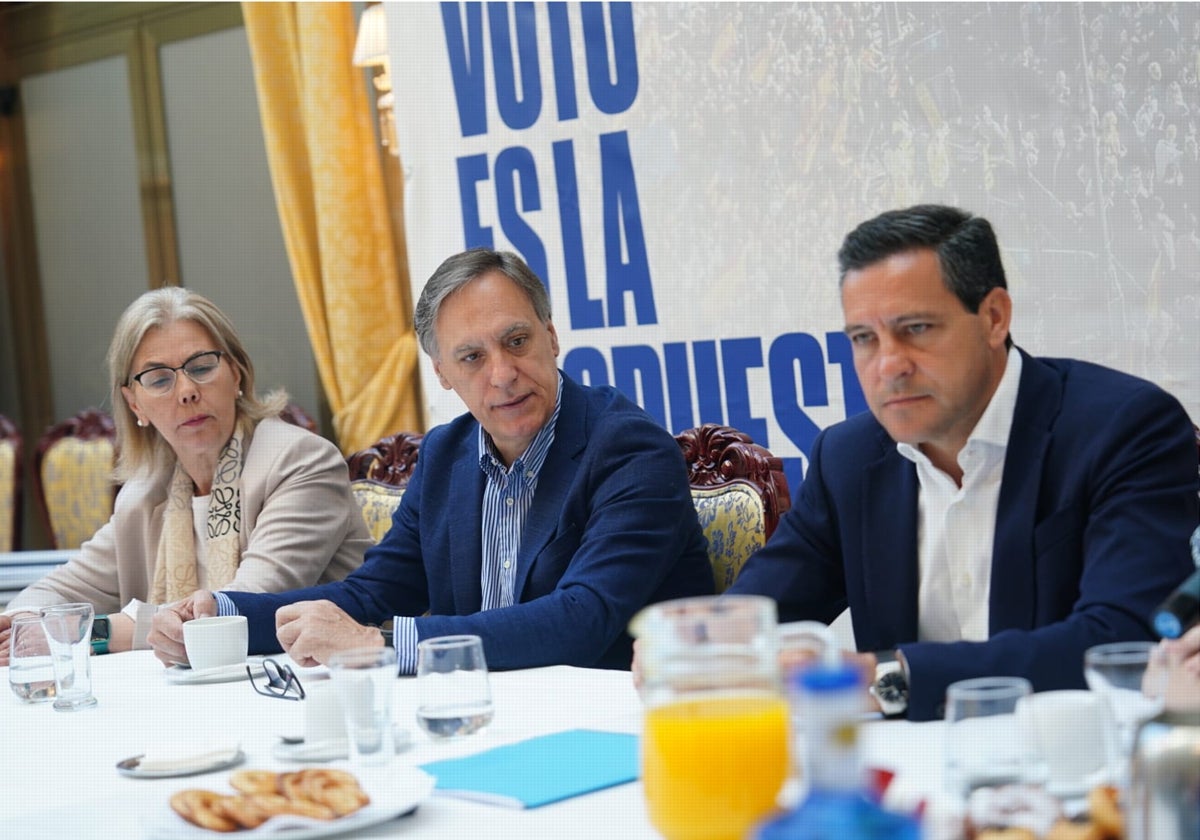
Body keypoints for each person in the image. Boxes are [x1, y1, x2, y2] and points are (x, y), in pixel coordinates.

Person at [729, 204, 1199, 720]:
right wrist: (693, 643)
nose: (889, 365)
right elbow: (757, 615)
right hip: (908, 773)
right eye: (864, 338)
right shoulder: (849, 457)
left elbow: (1122, 641)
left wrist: (886, 675)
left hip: (1074, 759)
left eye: (917, 329)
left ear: (994, 317)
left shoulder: (1123, 427)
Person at [149, 249, 714, 673]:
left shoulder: (629, 449)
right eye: (471, 357)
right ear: (442, 373)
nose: (501, 373)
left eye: (516, 341)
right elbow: (371, 594)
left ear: (551, 335)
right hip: (478, 715)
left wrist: (382, 645)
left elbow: (581, 620)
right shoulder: (446, 454)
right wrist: (224, 614)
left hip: (608, 729)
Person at [0, 288, 371, 664]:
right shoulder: (144, 494)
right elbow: (60, 589)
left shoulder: (301, 462)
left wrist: (82, 634)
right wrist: (18, 625)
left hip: (305, 689)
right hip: (195, 697)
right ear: (134, 403)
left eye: (201, 367)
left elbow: (238, 609)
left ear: (237, 373)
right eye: (159, 379)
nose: (187, 391)